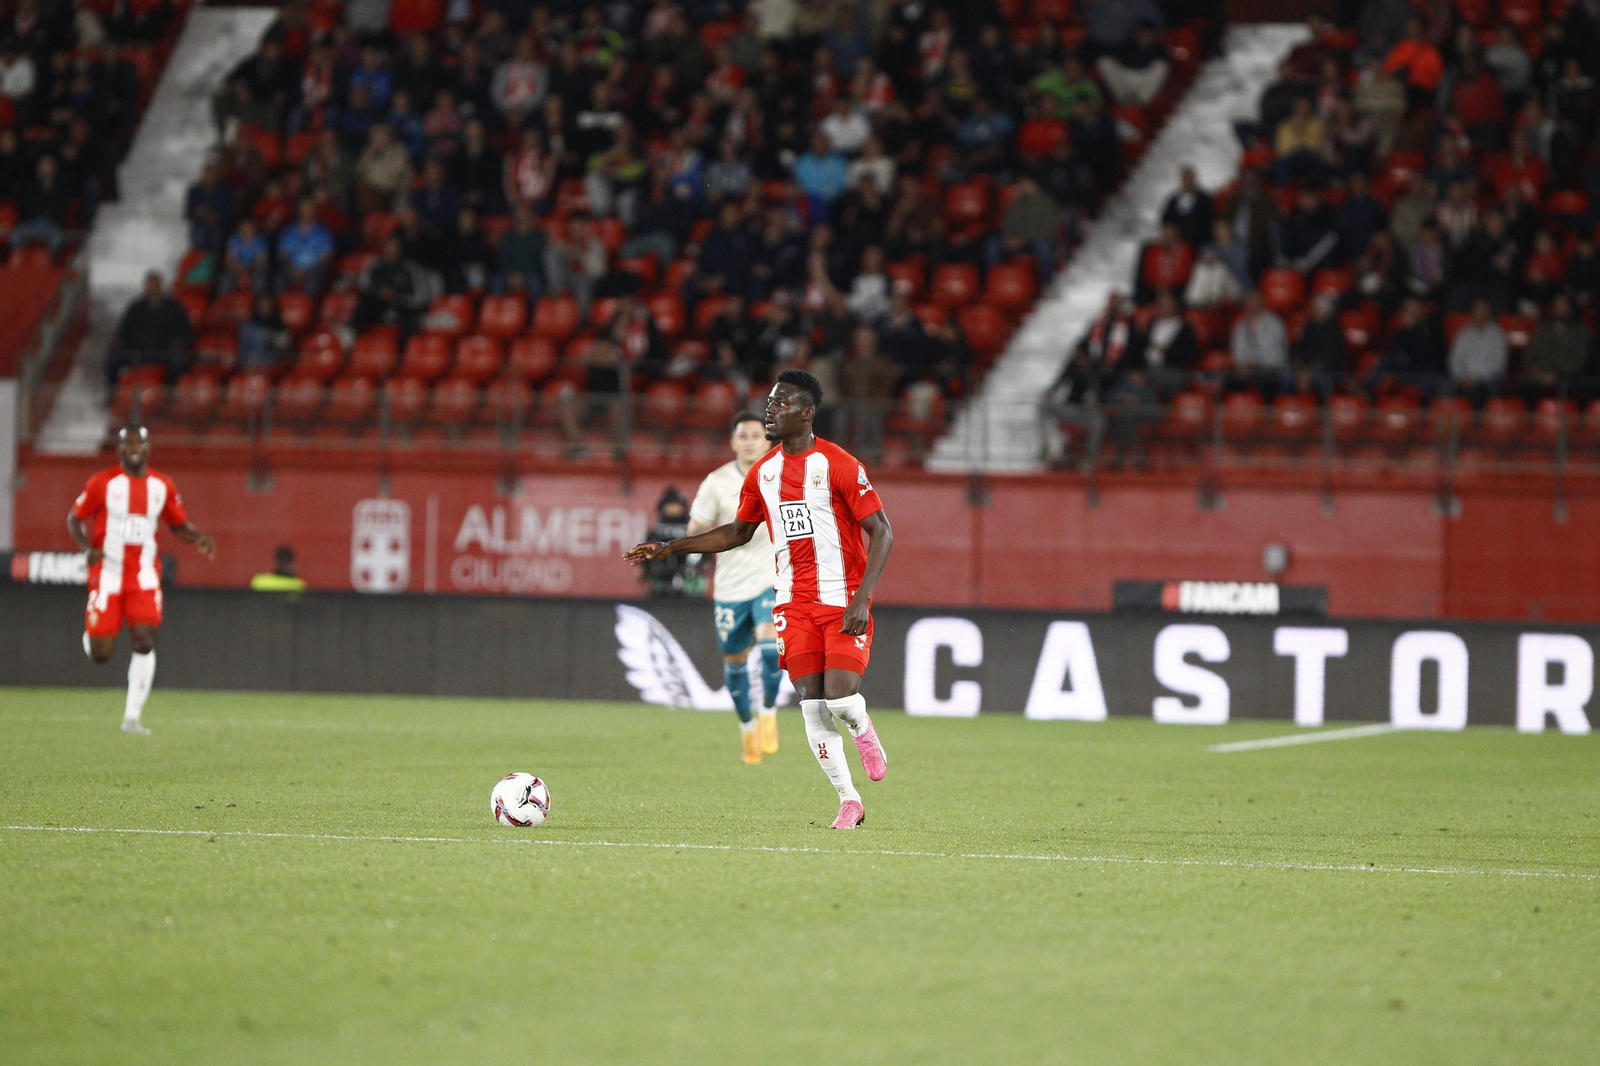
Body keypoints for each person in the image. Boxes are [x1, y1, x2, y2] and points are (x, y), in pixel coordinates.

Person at [625, 369, 894, 829]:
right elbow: (736, 532)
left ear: (807, 413)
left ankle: (862, 728)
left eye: (782, 402)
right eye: (770, 400)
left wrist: (862, 599)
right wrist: (670, 547)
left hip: (842, 597)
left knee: (842, 700)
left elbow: (882, 531)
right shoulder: (764, 473)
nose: (771, 408)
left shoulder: (840, 465)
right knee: (811, 704)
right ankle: (849, 800)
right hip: (792, 602)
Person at [67, 425, 217, 734]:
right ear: (119, 449)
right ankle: (93, 634)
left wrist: (199, 537)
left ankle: (132, 717)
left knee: (144, 638)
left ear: (148, 448)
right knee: (101, 654)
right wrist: (86, 549)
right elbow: (74, 518)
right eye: (127, 442)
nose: (134, 447)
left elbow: (177, 523)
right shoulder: (102, 483)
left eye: (139, 441)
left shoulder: (162, 485)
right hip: (107, 574)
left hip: (143, 576)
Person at [687, 412, 784, 764]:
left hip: (771, 578)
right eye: (743, 436)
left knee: (772, 646)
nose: (749, 441)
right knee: (735, 662)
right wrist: (695, 547)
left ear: (767, 440)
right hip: (730, 586)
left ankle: (769, 713)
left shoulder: (781, 473)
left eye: (756, 435)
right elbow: (698, 523)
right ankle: (747, 729)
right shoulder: (717, 482)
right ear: (733, 442)